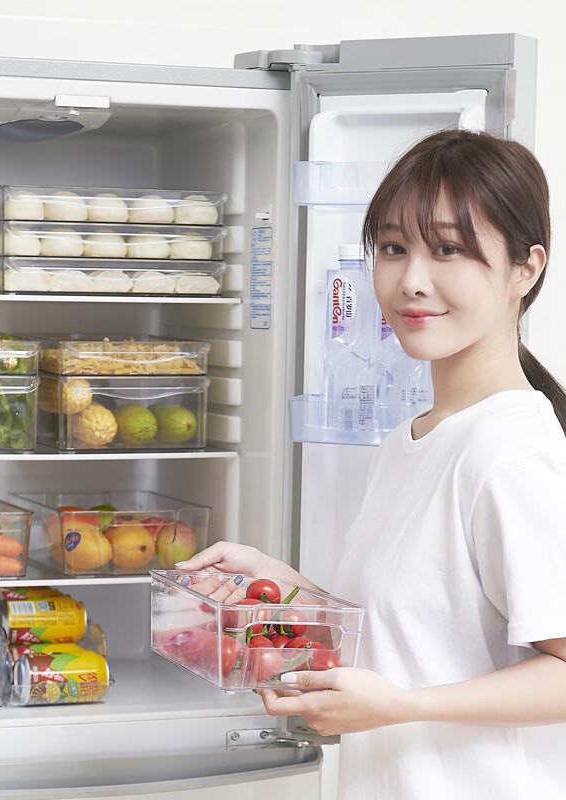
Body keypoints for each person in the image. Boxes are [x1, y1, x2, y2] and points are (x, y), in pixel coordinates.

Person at [177, 129, 566, 799]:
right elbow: (418, 632)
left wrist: (405, 707)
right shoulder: (413, 439)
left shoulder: (509, 455)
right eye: (392, 248)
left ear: (525, 270)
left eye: (448, 249)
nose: (412, 281)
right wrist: (288, 585)